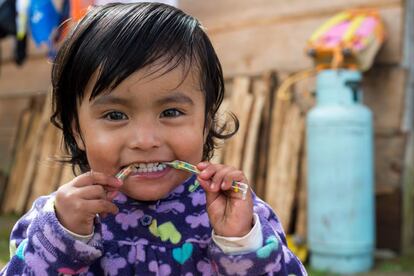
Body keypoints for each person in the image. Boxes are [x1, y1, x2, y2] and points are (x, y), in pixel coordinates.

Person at [0, 2, 307, 275]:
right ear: (77, 130)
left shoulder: (244, 217)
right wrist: (63, 239)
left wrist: (241, 242)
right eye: (115, 115)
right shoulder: (55, 221)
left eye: (171, 112)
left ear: (207, 121)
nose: (145, 141)